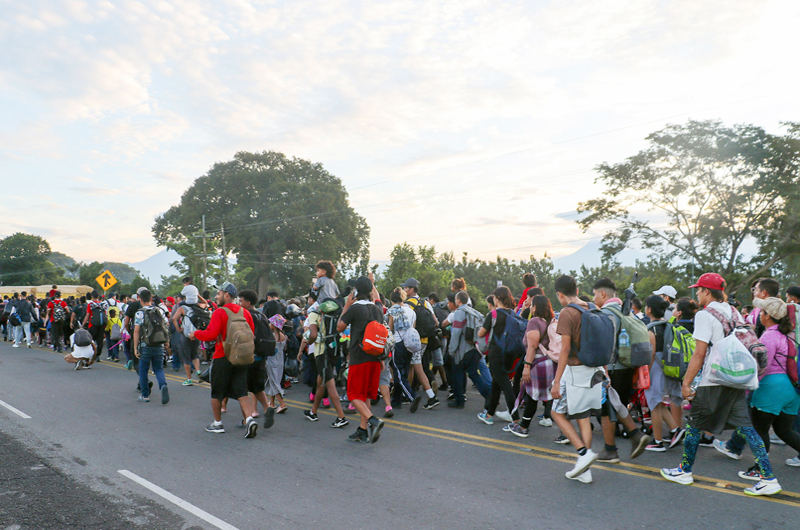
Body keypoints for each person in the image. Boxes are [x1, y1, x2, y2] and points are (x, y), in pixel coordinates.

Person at [660, 273, 781, 496]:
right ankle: (768, 477)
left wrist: (687, 383)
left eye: (699, 290)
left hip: (713, 378)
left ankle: (684, 470)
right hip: (735, 377)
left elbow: (699, 353)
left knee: (694, 424)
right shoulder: (733, 310)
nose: (696, 293)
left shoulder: (705, 315)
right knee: (746, 428)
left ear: (707, 291)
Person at [718, 297, 800, 480]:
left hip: (771, 389)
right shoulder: (789, 334)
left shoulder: (770, 336)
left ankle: (759, 470)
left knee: (759, 429)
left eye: (762, 312)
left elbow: (762, 367)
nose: (759, 314)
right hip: (789, 389)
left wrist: (745, 384)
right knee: (784, 430)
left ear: (768, 316)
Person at [550, 274, 603, 484]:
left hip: (575, 371)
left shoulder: (567, 312)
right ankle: (585, 470)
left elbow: (564, 349)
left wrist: (556, 381)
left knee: (556, 412)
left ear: (560, 294)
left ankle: (583, 453)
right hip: (595, 369)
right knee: (583, 416)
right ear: (578, 291)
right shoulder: (592, 307)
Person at [592, 279, 652, 463]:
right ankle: (626, 440)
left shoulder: (608, 314)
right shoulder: (627, 312)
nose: (594, 298)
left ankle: (612, 449)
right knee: (615, 406)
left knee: (606, 408)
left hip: (612, 368)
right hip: (627, 367)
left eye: (595, 294)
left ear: (603, 294)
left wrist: (604, 370)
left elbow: (606, 344)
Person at [191, 282, 259, 438]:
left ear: (226, 295)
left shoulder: (220, 312)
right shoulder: (245, 312)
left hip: (223, 356)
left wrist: (196, 334)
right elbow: (251, 334)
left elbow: (211, 334)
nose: (216, 296)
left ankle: (217, 423)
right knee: (242, 390)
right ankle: (249, 419)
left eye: (219, 293)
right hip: (241, 356)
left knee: (217, 391)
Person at [337, 275, 385, 443]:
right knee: (365, 396)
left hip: (359, 357)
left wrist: (346, 306)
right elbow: (378, 298)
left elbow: (339, 327)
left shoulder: (355, 308)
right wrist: (373, 283)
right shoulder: (377, 308)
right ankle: (362, 430)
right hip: (375, 357)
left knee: (353, 395)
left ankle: (373, 420)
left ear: (356, 291)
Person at [506, 294, 557, 437]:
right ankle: (564, 432)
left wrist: (527, 367)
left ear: (535, 307)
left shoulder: (535, 321)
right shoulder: (550, 321)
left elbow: (532, 346)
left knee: (532, 396)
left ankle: (523, 427)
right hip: (549, 363)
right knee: (550, 396)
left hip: (538, 363)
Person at [303, 295, 349, 428]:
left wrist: (309, 342)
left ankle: (341, 417)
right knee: (320, 382)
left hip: (321, 353)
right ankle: (313, 412)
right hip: (333, 350)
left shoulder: (313, 315)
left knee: (330, 383)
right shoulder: (334, 315)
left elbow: (312, 335)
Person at [643, 295, 680, 451]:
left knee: (654, 405)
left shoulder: (651, 329)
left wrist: (646, 373)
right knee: (657, 402)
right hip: (666, 366)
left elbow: (650, 354)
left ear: (649, 309)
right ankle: (675, 429)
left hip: (655, 367)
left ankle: (657, 441)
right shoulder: (667, 325)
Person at [476, 286, 518, 425]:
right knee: (496, 383)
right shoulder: (512, 313)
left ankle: (516, 418)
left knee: (505, 385)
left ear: (498, 298)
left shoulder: (493, 315)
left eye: (494, 296)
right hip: (509, 353)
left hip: (495, 352)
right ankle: (489, 414)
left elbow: (481, 333)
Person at [237, 289, 275, 429]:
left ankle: (246, 419)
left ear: (247, 302)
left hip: (249, 356)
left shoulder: (246, 315)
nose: (239, 304)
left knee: (242, 389)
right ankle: (267, 408)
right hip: (262, 356)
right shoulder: (261, 314)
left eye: (241, 301)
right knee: (257, 386)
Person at [448, 290, 492, 409]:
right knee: (473, 374)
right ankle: (489, 395)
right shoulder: (477, 313)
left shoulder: (459, 312)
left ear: (458, 300)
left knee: (457, 373)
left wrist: (452, 350)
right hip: (476, 348)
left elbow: (457, 332)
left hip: (463, 350)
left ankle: (459, 401)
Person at [132, 289, 170, 405]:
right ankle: (163, 385)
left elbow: (137, 331)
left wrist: (135, 348)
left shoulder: (140, 313)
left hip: (146, 345)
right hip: (159, 344)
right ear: (151, 299)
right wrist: (167, 341)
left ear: (140, 299)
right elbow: (166, 326)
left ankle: (145, 395)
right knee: (158, 369)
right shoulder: (160, 311)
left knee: (143, 370)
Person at [266, 314, 288, 414]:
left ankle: (282, 403)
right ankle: (272, 402)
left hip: (271, 360)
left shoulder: (272, 336)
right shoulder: (284, 336)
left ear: (274, 325)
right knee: (275, 380)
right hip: (280, 360)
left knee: (273, 382)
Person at [83, 291, 107, 362]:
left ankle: (90, 355)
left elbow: (87, 315)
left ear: (92, 297)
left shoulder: (90, 305)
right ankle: (97, 355)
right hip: (101, 325)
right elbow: (105, 315)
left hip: (92, 325)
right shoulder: (103, 304)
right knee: (100, 341)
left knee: (91, 341)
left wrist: (83, 324)